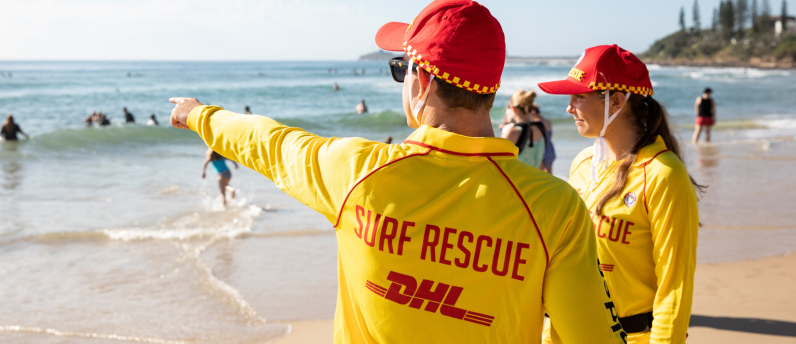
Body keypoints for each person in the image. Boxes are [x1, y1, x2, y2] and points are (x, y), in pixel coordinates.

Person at [168, 1, 625, 343]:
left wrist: (198, 115)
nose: (402, 80)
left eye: (401, 68)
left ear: (422, 82)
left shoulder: (356, 172)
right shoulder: (554, 206)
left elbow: (268, 142)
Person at [538, 44, 701, 344]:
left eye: (578, 97)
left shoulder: (663, 174)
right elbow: (565, 267)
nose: (568, 107)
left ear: (615, 103)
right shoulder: (582, 164)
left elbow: (674, 285)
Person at [501, 90, 547, 168]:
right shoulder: (540, 128)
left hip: (515, 179)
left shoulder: (512, 132)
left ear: (513, 108)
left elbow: (499, 162)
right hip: (535, 178)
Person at [531, 104, 556, 174]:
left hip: (541, 149)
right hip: (550, 148)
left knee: (540, 174)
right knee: (550, 173)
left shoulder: (537, 123)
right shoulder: (547, 121)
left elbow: (537, 139)